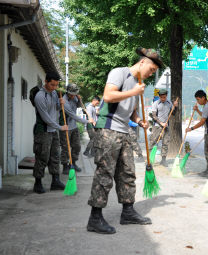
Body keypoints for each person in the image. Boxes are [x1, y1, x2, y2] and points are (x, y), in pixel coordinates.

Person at [86, 47, 163, 234]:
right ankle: (95, 218)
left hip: (125, 131)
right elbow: (108, 96)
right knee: (105, 173)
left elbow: (131, 110)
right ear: (143, 61)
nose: (151, 73)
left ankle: (127, 212)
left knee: (128, 172)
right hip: (108, 130)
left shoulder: (139, 84)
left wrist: (139, 121)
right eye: (151, 69)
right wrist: (134, 91)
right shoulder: (119, 73)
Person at [32, 72, 68, 194]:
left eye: (56, 85)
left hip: (53, 131)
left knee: (55, 157)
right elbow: (46, 118)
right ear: (46, 81)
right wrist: (60, 127)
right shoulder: (40, 96)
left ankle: (55, 181)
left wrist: (60, 104)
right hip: (43, 131)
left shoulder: (53, 93)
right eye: (52, 84)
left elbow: (55, 109)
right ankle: (37, 183)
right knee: (42, 157)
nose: (54, 87)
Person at [59, 84, 95, 174]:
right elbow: (74, 116)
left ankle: (73, 163)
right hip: (65, 127)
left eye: (75, 94)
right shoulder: (64, 101)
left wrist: (79, 99)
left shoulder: (74, 97)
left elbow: (80, 106)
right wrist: (87, 121)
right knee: (66, 148)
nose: (73, 95)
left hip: (73, 126)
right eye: (72, 94)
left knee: (77, 146)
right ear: (68, 92)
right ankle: (65, 166)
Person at [185, 90, 208, 177]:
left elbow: (202, 121)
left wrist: (191, 128)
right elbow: (204, 115)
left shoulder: (207, 106)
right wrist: (197, 110)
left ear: (203, 98)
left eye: (198, 99)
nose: (198, 102)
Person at [149, 88, 178, 167]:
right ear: (159, 96)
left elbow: (173, 113)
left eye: (164, 97)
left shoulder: (169, 103)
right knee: (153, 142)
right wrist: (161, 123)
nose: (163, 99)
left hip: (166, 126)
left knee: (165, 143)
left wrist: (175, 106)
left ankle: (163, 159)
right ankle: (150, 160)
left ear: (166, 96)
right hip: (157, 126)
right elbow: (154, 116)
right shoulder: (155, 103)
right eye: (161, 97)